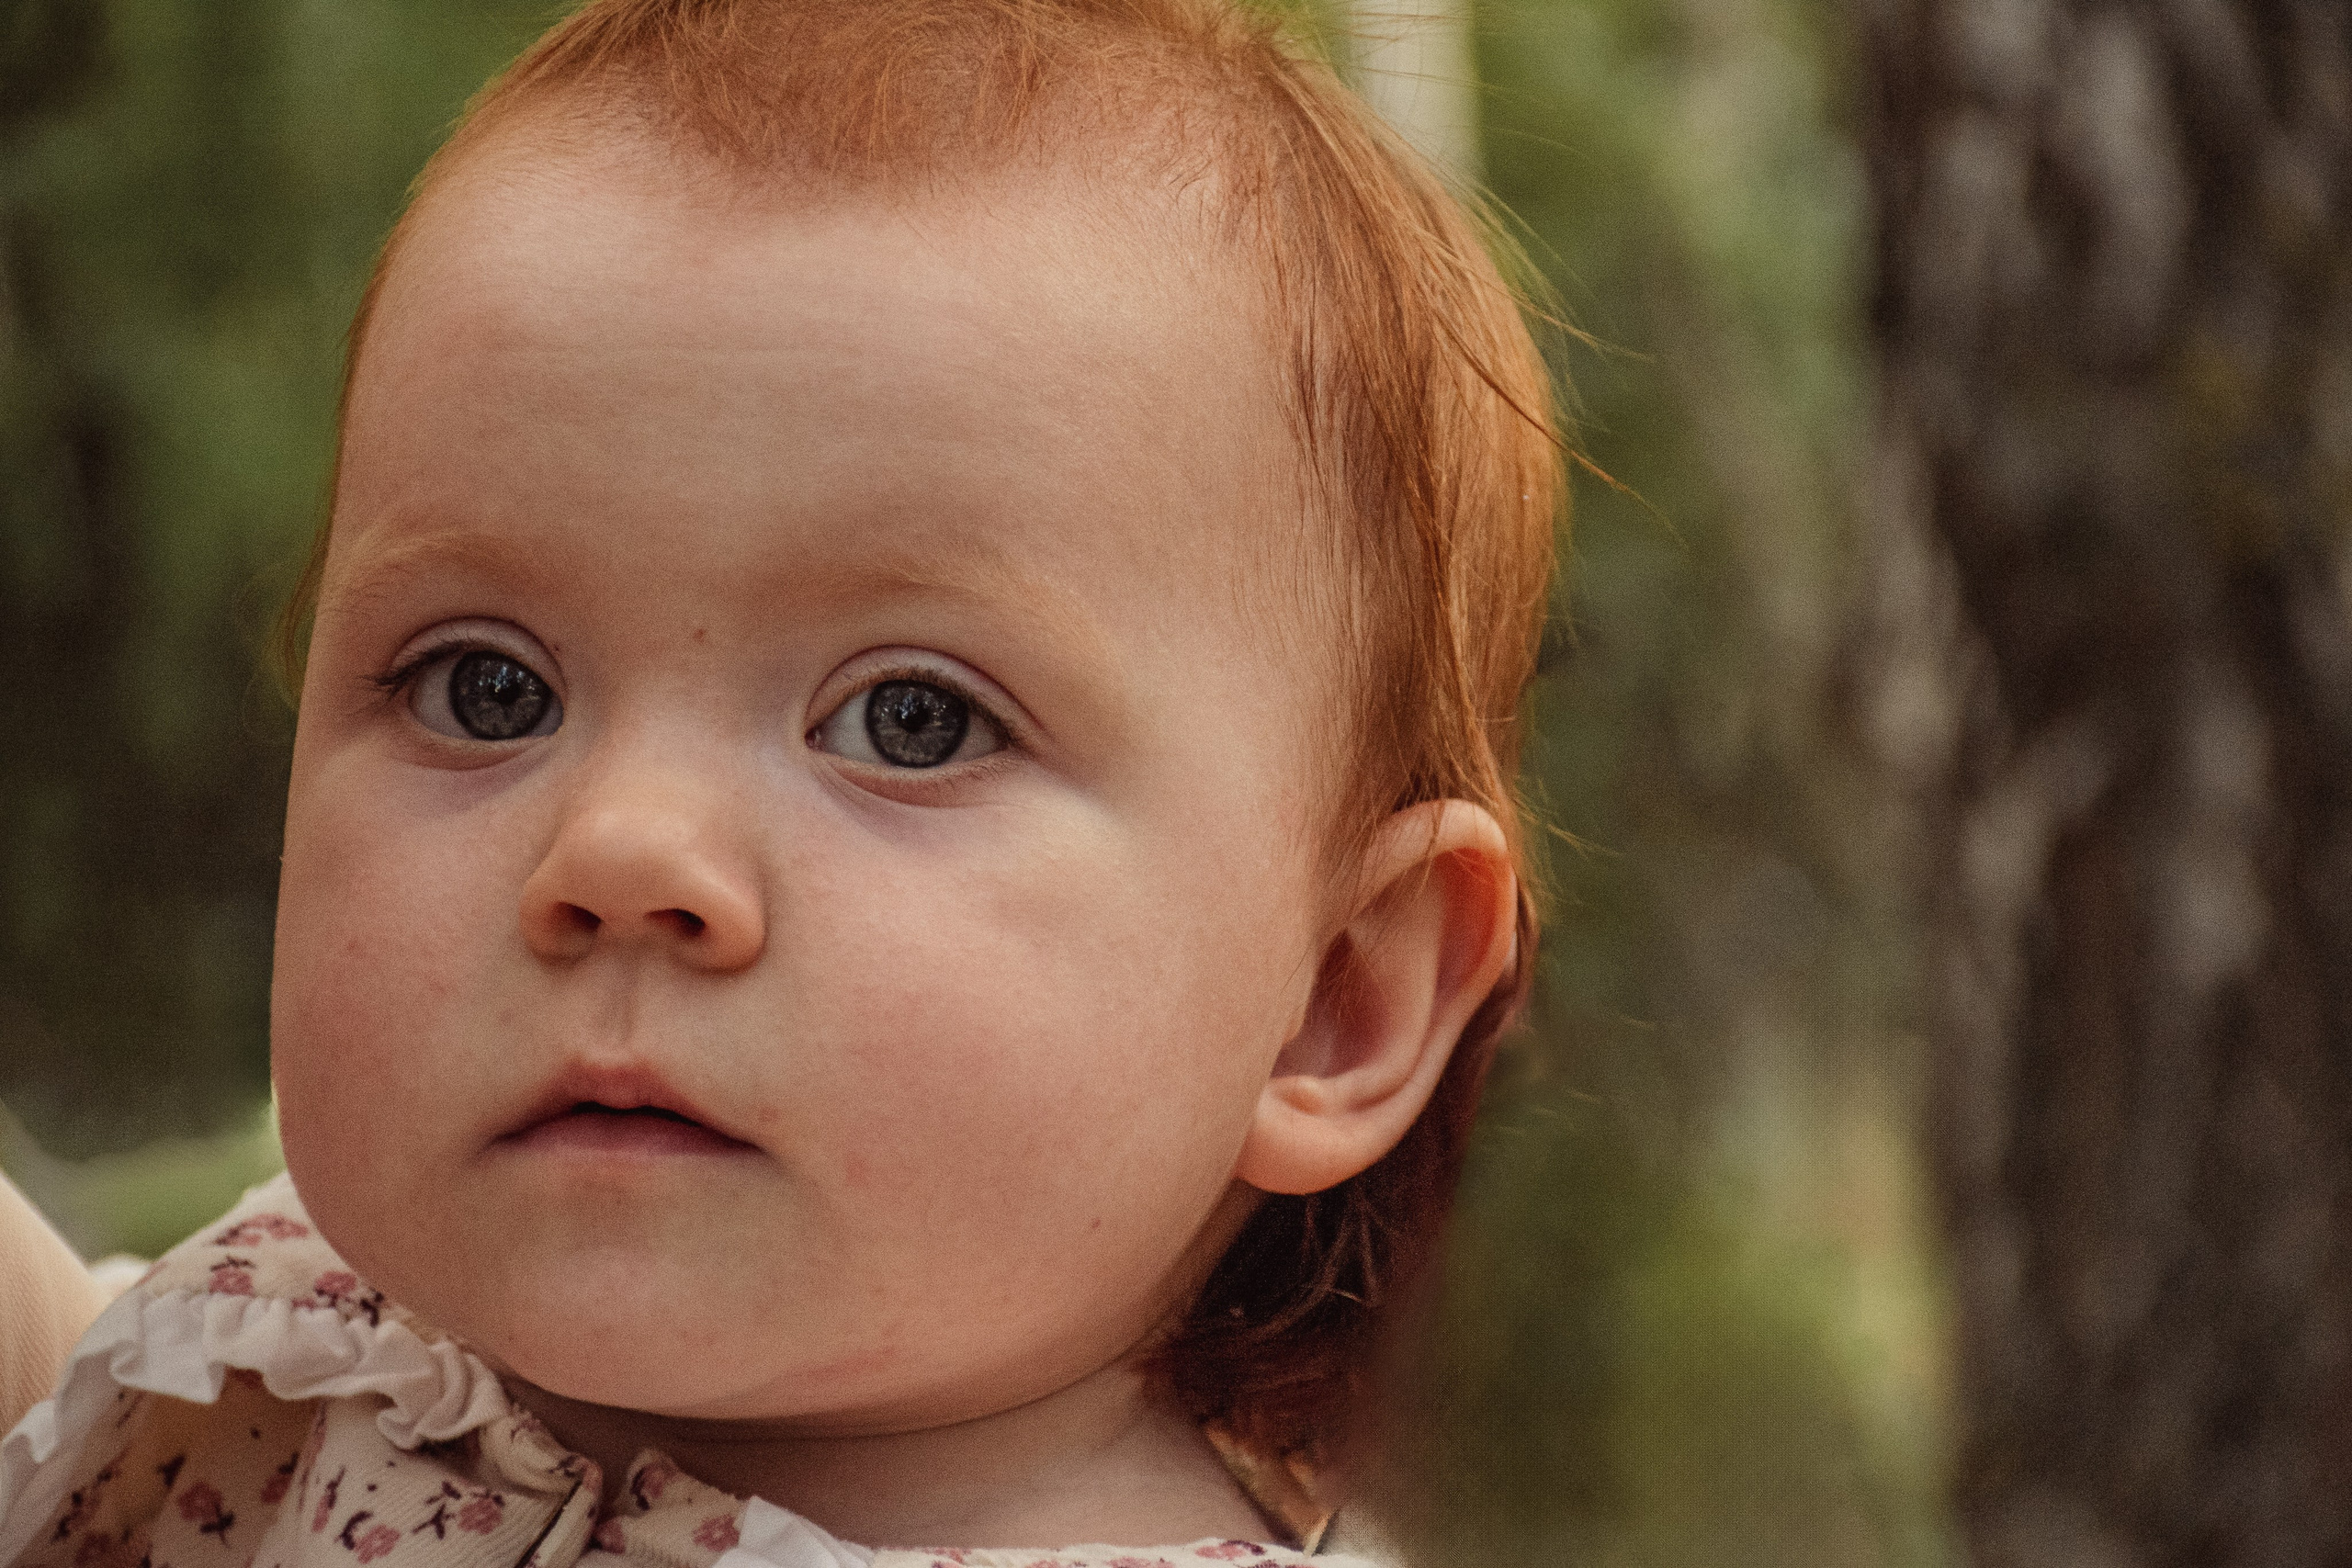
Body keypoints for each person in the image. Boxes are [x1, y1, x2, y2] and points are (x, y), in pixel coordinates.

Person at [0, 0, 1559, 1561]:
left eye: (911, 723)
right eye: (488, 690)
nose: (621, 849)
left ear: (1335, 998)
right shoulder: (260, 1374)